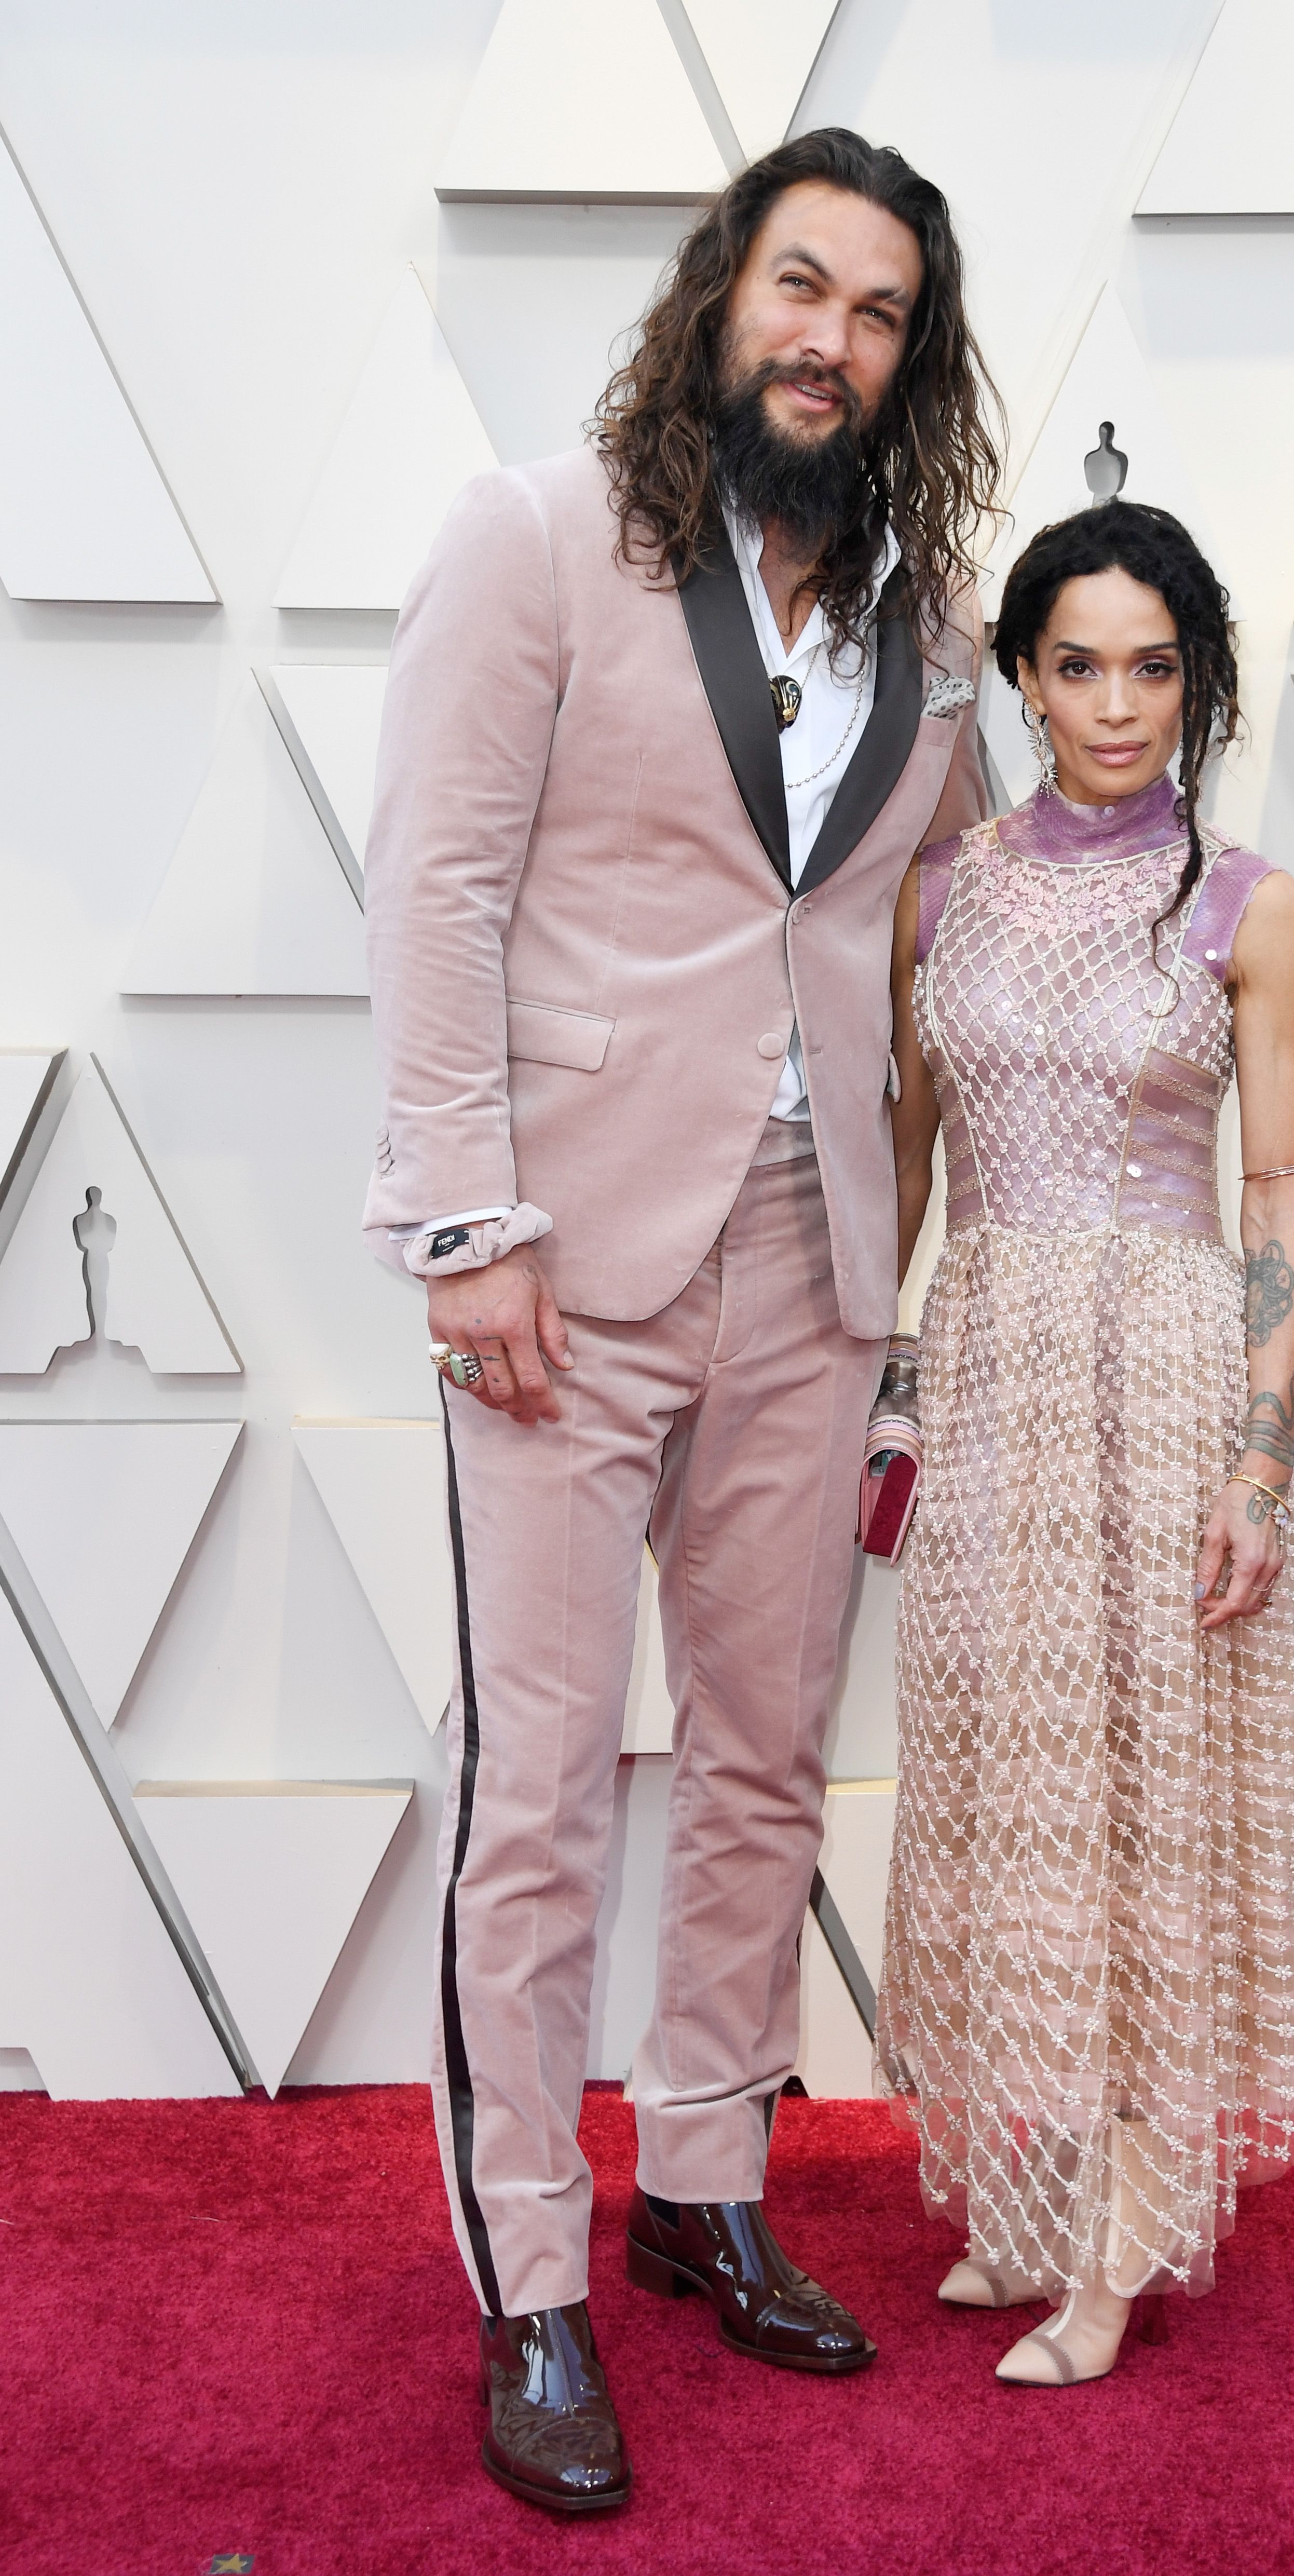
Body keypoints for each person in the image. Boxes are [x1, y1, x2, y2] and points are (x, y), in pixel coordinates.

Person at [361, 128, 999, 2509]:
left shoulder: (919, 629)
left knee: (757, 1755)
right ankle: (529, 2268)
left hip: (809, 1261)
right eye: (796, 286)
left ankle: (699, 2182)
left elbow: (936, 940)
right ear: (720, 293)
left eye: (874, 315)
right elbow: (431, 881)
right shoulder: (534, 535)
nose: (825, 339)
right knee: (534, 1792)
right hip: (558, 1260)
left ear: (901, 362)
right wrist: (463, 1221)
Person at [874, 500, 1294, 2389]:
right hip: (996, 1367)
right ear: (1015, 674)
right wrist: (897, 1384)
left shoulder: (1251, 905)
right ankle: (1025, 2209)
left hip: (1164, 1375)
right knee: (1014, 1777)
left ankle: (1121, 2246)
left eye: (1153, 666)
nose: (1113, 703)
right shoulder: (946, 890)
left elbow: (1279, 1191)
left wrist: (1259, 1454)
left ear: (1200, 682)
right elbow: (912, 1156)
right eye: (1074, 663)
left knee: (1153, 1796)